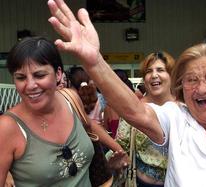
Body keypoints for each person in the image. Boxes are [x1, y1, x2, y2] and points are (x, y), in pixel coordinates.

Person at [47, 0, 206, 186]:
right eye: (191, 80)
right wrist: (95, 62)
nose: (201, 88)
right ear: (181, 88)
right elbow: (136, 112)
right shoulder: (177, 117)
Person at [0, 36, 123, 186]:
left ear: (58, 74)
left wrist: (119, 150)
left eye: (39, 75)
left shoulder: (70, 99)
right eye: (21, 78)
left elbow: (89, 125)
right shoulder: (7, 127)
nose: (30, 85)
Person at [115, 51, 175, 187]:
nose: (154, 75)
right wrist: (115, 162)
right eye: (149, 71)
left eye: (160, 70)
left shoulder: (185, 109)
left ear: (172, 75)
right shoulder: (134, 110)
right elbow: (120, 147)